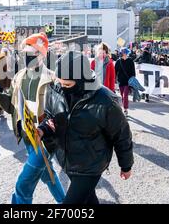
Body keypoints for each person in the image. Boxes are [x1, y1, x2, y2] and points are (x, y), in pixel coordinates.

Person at [38, 51, 134, 204]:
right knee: (88, 200)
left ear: (82, 79)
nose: (62, 87)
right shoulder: (55, 89)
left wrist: (126, 165)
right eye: (60, 82)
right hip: (66, 159)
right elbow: (51, 118)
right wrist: (42, 129)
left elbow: (121, 135)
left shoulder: (105, 100)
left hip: (91, 164)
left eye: (68, 84)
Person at [0, 33, 66, 204]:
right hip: (26, 134)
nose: (25, 55)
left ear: (40, 54)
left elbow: (60, 114)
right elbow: (12, 107)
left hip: (45, 139)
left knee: (23, 185)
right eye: (24, 52)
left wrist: (48, 131)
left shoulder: (52, 79)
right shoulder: (19, 76)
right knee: (48, 174)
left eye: (30, 52)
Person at [115, 48, 135, 117]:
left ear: (126, 53)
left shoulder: (130, 61)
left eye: (124, 53)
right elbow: (115, 72)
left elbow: (133, 72)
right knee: (122, 95)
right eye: (122, 53)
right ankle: (125, 107)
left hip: (128, 82)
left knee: (125, 95)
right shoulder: (118, 61)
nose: (123, 54)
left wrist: (133, 80)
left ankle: (125, 109)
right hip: (120, 82)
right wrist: (115, 80)